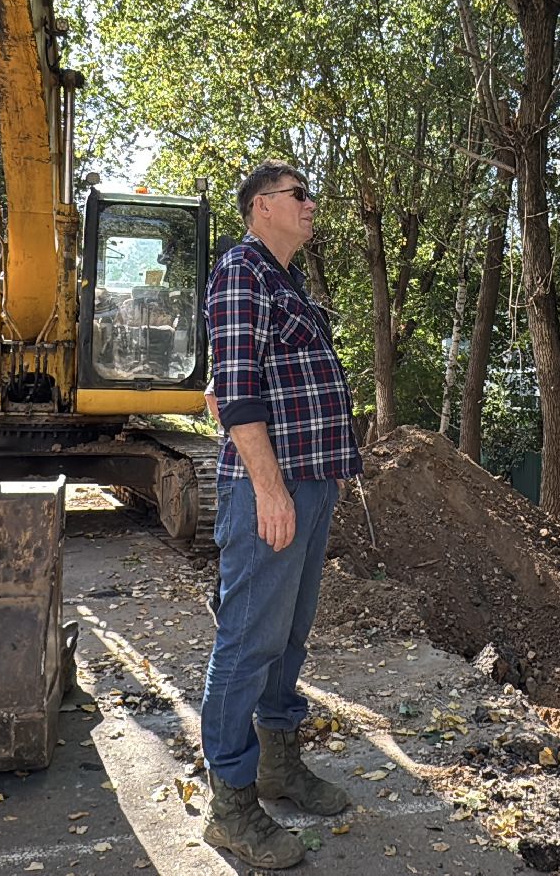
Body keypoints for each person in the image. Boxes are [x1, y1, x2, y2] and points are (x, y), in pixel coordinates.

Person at [199, 160, 362, 870]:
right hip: (274, 487)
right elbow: (235, 392)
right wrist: (269, 490)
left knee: (288, 637)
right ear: (262, 206)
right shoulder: (243, 271)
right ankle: (231, 805)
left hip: (311, 483)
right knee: (247, 642)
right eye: (300, 195)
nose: (312, 205)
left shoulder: (284, 279)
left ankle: (278, 765)